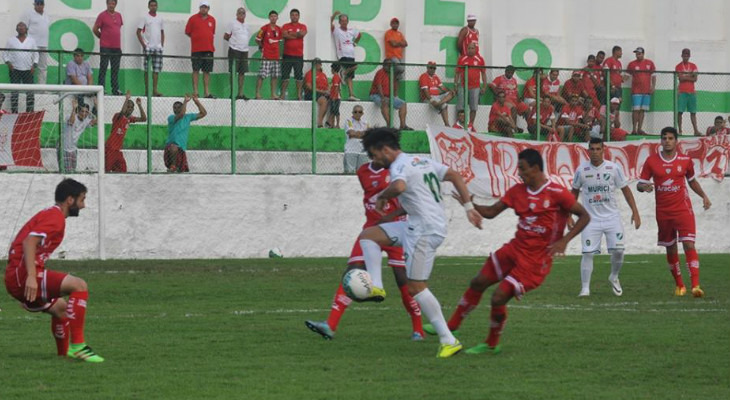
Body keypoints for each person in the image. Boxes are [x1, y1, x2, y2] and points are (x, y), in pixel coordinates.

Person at [430, 148, 590, 354]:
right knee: (478, 282)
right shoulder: (517, 191)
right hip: (514, 249)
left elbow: (585, 216)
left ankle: (491, 344)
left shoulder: (558, 193)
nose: (519, 173)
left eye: (522, 169)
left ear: (535, 168)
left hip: (535, 261)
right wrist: (470, 204)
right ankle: (451, 326)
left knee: (497, 298)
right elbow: (491, 212)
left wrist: (565, 241)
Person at [358, 127, 483, 358]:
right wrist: (469, 208)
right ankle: (376, 285)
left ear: (385, 149)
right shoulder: (421, 161)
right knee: (368, 235)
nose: (376, 161)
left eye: (375, 155)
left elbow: (399, 187)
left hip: (424, 231)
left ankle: (448, 339)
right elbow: (453, 176)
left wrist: (383, 196)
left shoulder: (398, 166)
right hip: (417, 224)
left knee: (416, 287)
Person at [305, 158, 424, 341]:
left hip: (396, 229)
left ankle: (418, 330)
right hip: (370, 231)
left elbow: (407, 198)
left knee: (403, 281)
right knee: (352, 272)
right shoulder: (362, 172)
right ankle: (330, 325)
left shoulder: (398, 171)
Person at [4, 178, 104, 362]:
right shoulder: (55, 217)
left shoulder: (52, 214)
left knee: (61, 309)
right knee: (79, 286)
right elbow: (29, 242)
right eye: (82, 199)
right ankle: (79, 346)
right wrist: (32, 278)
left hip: (16, 276)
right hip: (22, 276)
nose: (83, 205)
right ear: (70, 200)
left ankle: (63, 355)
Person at [637, 127, 712, 297]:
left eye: (671, 138)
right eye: (664, 138)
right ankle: (680, 285)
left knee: (689, 244)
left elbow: (692, 181)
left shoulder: (685, 160)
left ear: (676, 141)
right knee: (670, 249)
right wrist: (644, 187)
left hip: (683, 210)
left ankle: (695, 286)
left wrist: (704, 196)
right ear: (661, 141)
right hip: (663, 212)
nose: (667, 141)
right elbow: (640, 184)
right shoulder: (651, 161)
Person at [571, 138, 640, 297]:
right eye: (592, 149)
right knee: (587, 253)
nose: (594, 152)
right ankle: (585, 288)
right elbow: (573, 193)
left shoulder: (613, 168)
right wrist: (568, 214)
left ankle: (614, 276)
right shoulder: (581, 170)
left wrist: (635, 211)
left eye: (598, 149)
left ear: (603, 150)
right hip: (590, 220)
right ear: (588, 151)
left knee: (619, 250)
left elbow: (626, 190)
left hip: (612, 218)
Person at [105, 91, 147, 173]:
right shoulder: (118, 116)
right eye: (128, 106)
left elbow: (144, 119)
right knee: (106, 170)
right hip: (109, 148)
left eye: (131, 107)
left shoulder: (129, 119)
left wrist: (139, 105)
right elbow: (122, 112)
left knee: (123, 170)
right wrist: (126, 99)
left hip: (117, 151)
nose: (129, 109)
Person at [165, 94, 207, 173]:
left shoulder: (188, 117)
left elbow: (203, 113)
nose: (176, 109)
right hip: (171, 148)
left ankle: (177, 167)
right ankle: (173, 166)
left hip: (181, 148)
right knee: (173, 147)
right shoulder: (171, 118)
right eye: (174, 107)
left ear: (182, 107)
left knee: (183, 171)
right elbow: (181, 114)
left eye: (178, 107)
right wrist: (185, 101)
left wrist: (197, 102)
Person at [4, 21, 38, 113]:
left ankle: (29, 112)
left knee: (30, 93)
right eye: (19, 26)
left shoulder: (31, 41)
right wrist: (9, 63)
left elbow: (36, 54)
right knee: (14, 93)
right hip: (15, 70)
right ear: (16, 29)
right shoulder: (11, 40)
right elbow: (5, 53)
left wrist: (33, 66)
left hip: (28, 70)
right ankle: (14, 112)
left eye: (23, 26)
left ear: (26, 29)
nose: (21, 27)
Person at [370, 59, 412, 130]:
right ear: (384, 65)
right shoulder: (380, 72)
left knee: (403, 104)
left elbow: (395, 86)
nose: (389, 66)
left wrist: (395, 96)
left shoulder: (391, 73)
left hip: (389, 96)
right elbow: (379, 85)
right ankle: (390, 125)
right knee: (384, 103)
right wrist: (382, 97)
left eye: (390, 65)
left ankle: (403, 125)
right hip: (376, 95)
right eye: (387, 64)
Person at [185, 1, 216, 98]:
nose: (204, 9)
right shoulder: (193, 19)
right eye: (202, 7)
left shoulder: (212, 20)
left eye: (206, 7)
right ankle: (196, 91)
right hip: (196, 49)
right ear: (199, 8)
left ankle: (207, 92)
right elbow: (188, 32)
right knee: (196, 70)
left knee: (207, 71)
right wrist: (196, 38)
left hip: (209, 49)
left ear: (208, 8)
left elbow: (212, 32)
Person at [93, 0, 123, 95]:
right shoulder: (102, 15)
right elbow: (95, 29)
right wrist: (102, 38)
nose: (111, 5)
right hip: (105, 47)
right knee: (103, 68)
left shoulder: (119, 16)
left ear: (115, 4)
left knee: (115, 69)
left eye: (113, 3)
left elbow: (117, 29)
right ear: (107, 4)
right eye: (109, 3)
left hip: (116, 47)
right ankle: (102, 89)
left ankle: (115, 89)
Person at [455, 42, 486, 132]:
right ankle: (460, 124)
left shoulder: (480, 59)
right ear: (466, 49)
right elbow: (457, 73)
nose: (470, 50)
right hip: (462, 86)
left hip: (475, 87)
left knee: (473, 107)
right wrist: (455, 85)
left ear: (475, 49)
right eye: (469, 48)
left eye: (472, 48)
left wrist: (484, 86)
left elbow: (483, 73)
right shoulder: (462, 59)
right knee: (460, 106)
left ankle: (470, 125)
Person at [136, 0, 165, 97]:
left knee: (156, 70)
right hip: (148, 47)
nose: (153, 7)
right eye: (151, 5)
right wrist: (144, 45)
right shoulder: (144, 17)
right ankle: (147, 90)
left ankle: (155, 90)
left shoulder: (160, 18)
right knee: (147, 70)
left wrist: (162, 45)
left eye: (155, 5)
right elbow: (138, 32)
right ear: (148, 6)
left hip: (158, 48)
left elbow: (162, 32)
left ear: (157, 6)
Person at [331, 11, 361, 101]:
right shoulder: (337, 30)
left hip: (351, 55)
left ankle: (351, 94)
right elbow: (330, 24)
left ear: (347, 21)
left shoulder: (351, 30)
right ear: (339, 22)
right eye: (342, 21)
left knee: (350, 77)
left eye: (345, 20)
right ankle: (343, 73)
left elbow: (359, 35)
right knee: (355, 66)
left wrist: (355, 43)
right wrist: (333, 16)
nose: (344, 22)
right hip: (342, 55)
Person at [60, 100, 96, 172]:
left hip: (73, 149)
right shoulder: (69, 116)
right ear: (78, 111)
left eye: (86, 112)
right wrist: (73, 109)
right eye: (82, 111)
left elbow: (96, 122)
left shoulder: (86, 120)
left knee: (73, 171)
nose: (84, 114)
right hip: (64, 148)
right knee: (66, 172)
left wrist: (97, 106)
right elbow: (71, 122)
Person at [626, 47, 656, 135]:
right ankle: (634, 129)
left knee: (642, 110)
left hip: (646, 91)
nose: (638, 55)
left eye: (639, 53)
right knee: (635, 110)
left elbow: (654, 75)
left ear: (643, 54)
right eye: (636, 54)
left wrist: (653, 86)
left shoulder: (650, 63)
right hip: (636, 91)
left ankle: (640, 129)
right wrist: (620, 79)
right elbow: (627, 75)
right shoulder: (632, 64)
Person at [255, 10, 282, 100]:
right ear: (269, 17)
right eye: (272, 16)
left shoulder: (279, 29)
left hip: (276, 57)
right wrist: (262, 47)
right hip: (266, 56)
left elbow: (281, 41)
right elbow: (257, 39)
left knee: (274, 76)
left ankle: (273, 94)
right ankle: (258, 93)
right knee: (262, 75)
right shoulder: (264, 28)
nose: (273, 18)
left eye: (275, 16)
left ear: (277, 18)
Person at [280, 9, 307, 100]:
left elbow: (302, 34)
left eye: (296, 15)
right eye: (292, 15)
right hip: (287, 55)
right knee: (285, 75)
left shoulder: (303, 26)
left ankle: (299, 95)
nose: (294, 16)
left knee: (299, 76)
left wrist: (290, 34)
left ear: (299, 16)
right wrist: (296, 35)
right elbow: (284, 35)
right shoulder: (285, 25)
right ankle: (283, 94)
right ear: (290, 16)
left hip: (298, 56)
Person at [224, 7, 250, 100]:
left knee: (242, 72)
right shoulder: (232, 23)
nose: (241, 14)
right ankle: (232, 93)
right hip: (234, 50)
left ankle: (240, 93)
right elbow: (226, 36)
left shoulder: (247, 25)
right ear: (236, 14)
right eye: (240, 13)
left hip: (244, 51)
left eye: (243, 13)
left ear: (245, 15)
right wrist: (233, 43)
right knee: (233, 72)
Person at [24, 0, 50, 84]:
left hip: (44, 45)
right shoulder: (29, 14)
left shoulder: (46, 15)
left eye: (41, 4)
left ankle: (42, 88)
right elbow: (24, 29)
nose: (39, 5)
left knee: (43, 67)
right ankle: (28, 87)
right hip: (33, 45)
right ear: (34, 5)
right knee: (29, 66)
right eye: (37, 4)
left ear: (44, 5)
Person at [676, 48, 701, 135]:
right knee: (680, 112)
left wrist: (685, 76)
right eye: (684, 55)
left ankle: (696, 130)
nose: (686, 56)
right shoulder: (678, 66)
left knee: (693, 112)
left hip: (692, 92)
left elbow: (695, 79)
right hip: (682, 92)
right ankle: (680, 131)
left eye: (687, 55)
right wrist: (690, 75)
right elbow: (680, 78)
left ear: (689, 56)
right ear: (682, 55)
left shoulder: (693, 66)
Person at [342, 104, 369, 173]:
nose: (357, 113)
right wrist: (362, 134)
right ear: (352, 113)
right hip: (351, 151)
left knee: (362, 173)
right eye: (355, 112)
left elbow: (368, 134)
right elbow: (351, 133)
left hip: (363, 152)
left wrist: (355, 134)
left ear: (362, 113)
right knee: (349, 173)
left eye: (360, 112)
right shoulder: (349, 121)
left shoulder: (365, 123)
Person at [384, 17, 407, 96]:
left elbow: (405, 44)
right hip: (392, 57)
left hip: (399, 57)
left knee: (397, 78)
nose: (395, 24)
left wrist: (397, 43)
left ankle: (395, 94)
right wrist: (400, 43)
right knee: (401, 69)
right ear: (391, 24)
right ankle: (391, 93)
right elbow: (393, 44)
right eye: (393, 23)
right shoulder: (388, 33)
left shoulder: (400, 34)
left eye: (397, 23)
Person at [303, 58, 328, 128]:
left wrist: (328, 92)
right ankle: (320, 122)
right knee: (323, 100)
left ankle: (330, 122)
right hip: (312, 93)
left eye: (319, 63)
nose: (318, 65)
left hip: (323, 93)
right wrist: (320, 91)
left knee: (333, 100)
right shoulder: (309, 73)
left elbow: (327, 86)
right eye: (316, 63)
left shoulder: (323, 75)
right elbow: (308, 86)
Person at [326, 63, 342, 128]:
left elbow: (336, 87)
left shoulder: (335, 77)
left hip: (335, 97)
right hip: (334, 96)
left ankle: (337, 124)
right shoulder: (336, 76)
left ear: (333, 69)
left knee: (336, 111)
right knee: (332, 111)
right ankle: (332, 124)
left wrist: (334, 97)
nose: (331, 70)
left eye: (331, 69)